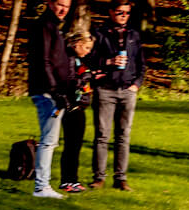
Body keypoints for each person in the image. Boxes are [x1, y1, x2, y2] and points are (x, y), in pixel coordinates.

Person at [89, 0, 144, 192]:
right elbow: (90, 59)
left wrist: (136, 85)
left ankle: (121, 178)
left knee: (123, 136)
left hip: (127, 90)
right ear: (111, 12)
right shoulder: (99, 33)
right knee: (102, 136)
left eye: (126, 13)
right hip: (105, 89)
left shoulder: (134, 35)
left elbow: (140, 63)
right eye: (120, 12)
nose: (123, 16)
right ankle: (99, 177)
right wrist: (109, 61)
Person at [26, 0, 73, 199]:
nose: (63, 10)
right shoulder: (45, 26)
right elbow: (44, 61)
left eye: (67, 6)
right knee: (49, 140)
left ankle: (43, 184)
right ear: (49, 3)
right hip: (47, 92)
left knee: (51, 140)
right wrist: (55, 91)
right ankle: (41, 186)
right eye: (59, 4)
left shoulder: (54, 27)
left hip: (53, 91)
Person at [58, 30, 98, 193]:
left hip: (78, 106)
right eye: (87, 47)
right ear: (78, 44)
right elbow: (68, 81)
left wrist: (89, 76)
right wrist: (84, 79)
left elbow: (82, 76)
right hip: (70, 106)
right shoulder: (67, 59)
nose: (88, 51)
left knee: (76, 145)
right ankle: (67, 180)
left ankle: (72, 179)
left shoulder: (77, 61)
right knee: (71, 144)